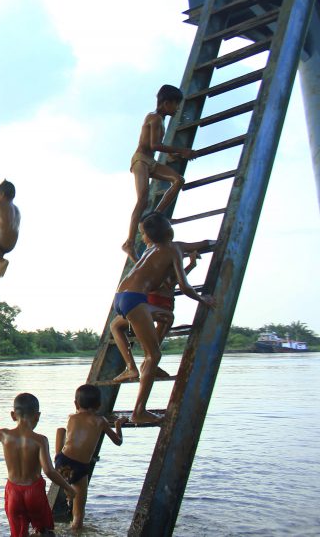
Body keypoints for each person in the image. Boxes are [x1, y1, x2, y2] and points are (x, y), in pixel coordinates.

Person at [113, 213, 215, 424]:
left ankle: (136, 368)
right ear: (169, 229)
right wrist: (203, 299)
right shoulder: (174, 248)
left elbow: (203, 243)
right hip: (135, 299)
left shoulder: (151, 249)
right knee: (153, 356)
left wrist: (208, 245)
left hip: (121, 297)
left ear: (150, 236)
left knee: (166, 318)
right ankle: (139, 412)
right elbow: (185, 286)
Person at [110, 239, 215, 383]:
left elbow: (169, 281)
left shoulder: (161, 255)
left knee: (152, 348)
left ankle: (138, 366)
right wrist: (191, 265)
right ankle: (141, 368)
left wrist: (190, 265)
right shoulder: (165, 254)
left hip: (154, 304)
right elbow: (171, 282)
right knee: (153, 349)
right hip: (157, 305)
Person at [0, 393, 75, 537]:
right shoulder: (40, 440)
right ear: (37, 416)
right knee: (44, 531)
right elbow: (49, 471)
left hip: (13, 492)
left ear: (13, 415)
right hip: (34, 491)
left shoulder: (4, 435)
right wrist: (68, 488)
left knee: (18, 533)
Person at [122, 85, 195, 262]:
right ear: (166, 103)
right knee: (143, 199)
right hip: (141, 160)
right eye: (176, 104)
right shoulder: (153, 118)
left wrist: (173, 154)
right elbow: (154, 145)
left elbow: (157, 145)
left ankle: (156, 214)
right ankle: (130, 242)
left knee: (178, 180)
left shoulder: (161, 120)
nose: (177, 108)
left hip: (151, 162)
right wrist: (182, 150)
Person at [54, 384, 124, 531]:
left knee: (60, 431)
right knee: (79, 515)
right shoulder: (101, 421)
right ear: (99, 405)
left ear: (75, 404)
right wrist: (118, 425)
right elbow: (118, 442)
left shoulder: (71, 417)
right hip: (81, 467)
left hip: (62, 463)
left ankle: (67, 491)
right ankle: (76, 528)